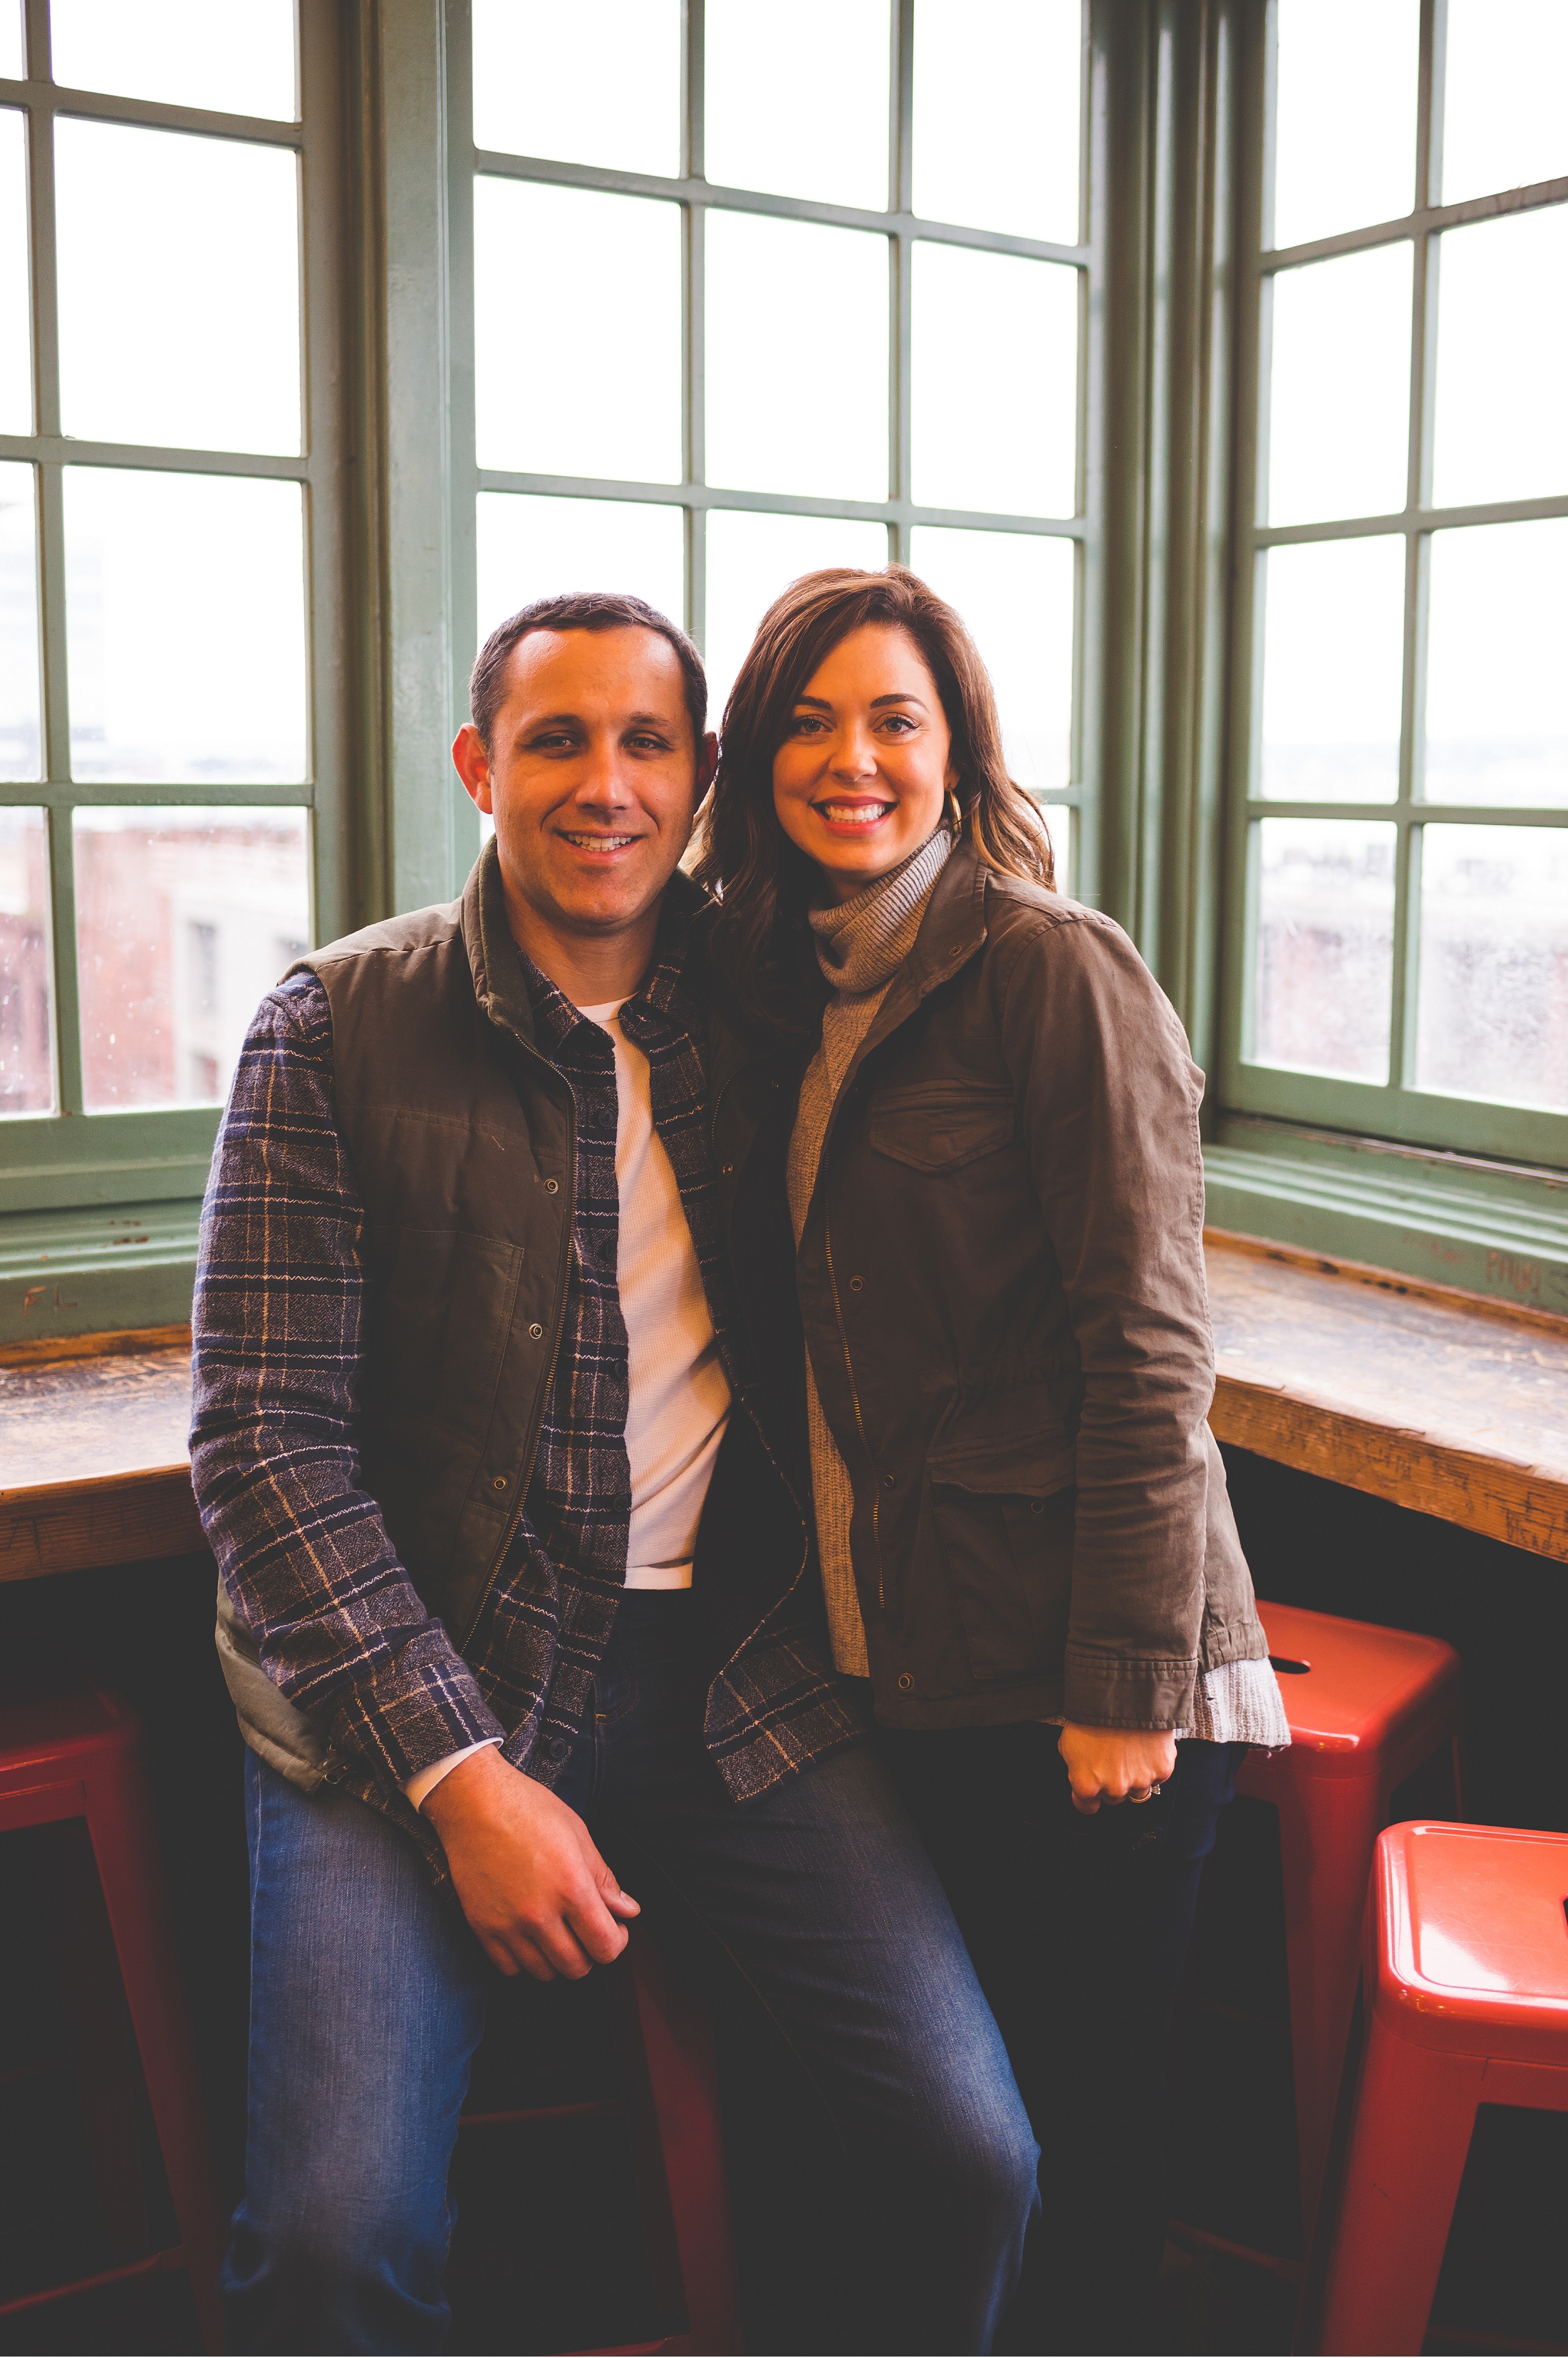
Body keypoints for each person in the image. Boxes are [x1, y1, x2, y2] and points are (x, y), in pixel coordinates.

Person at [191, 590, 1039, 2356]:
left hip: (726, 1672)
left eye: (644, 741)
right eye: (557, 740)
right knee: (339, 2236)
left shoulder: (771, 1003)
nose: (604, 784)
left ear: (701, 770)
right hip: (411, 1695)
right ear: (477, 768)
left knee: (965, 2158)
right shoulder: (334, 1027)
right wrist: (455, 1774)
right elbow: (262, 1443)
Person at [693, 566, 1290, 2356]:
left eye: (892, 718)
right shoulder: (782, 987)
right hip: (896, 1672)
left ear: (956, 751)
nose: (849, 757)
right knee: (945, 2141)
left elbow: (1148, 1348)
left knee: (1080, 2146)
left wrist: (1121, 1680)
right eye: (806, 720)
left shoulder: (1048, 969)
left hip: (1069, 1680)